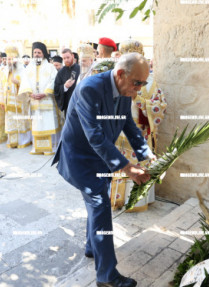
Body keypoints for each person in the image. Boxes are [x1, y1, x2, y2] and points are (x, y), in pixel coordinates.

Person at [52, 53, 155, 287]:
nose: (139, 89)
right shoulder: (90, 89)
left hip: (101, 158)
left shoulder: (124, 90)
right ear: (120, 74)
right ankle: (107, 276)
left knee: (97, 205)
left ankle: (92, 247)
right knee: (100, 207)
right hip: (81, 159)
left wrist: (147, 155)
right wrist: (129, 169)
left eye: (143, 83)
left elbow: (127, 124)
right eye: (137, 83)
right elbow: (96, 137)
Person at [110, 39, 167, 211]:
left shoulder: (151, 83)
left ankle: (136, 202)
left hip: (139, 133)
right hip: (118, 132)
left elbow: (160, 108)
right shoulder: (116, 77)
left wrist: (139, 100)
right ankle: (117, 200)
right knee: (119, 165)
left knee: (137, 166)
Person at [18, 41, 61, 155]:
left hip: (46, 100)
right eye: (35, 52)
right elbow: (25, 82)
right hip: (34, 102)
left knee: (48, 122)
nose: (36, 54)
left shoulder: (50, 67)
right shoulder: (28, 68)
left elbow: (54, 81)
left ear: (44, 54)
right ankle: (37, 148)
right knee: (37, 124)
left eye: (39, 52)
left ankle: (51, 148)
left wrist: (46, 93)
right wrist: (30, 93)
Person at [0, 46, 32, 148]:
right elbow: (1, 87)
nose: (10, 61)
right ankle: (12, 141)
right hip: (8, 103)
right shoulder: (4, 71)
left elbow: (28, 86)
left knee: (21, 121)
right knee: (11, 122)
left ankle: (23, 141)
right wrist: (2, 102)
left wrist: (18, 83)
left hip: (20, 102)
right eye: (9, 59)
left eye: (13, 59)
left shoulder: (23, 70)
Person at [54, 48, 80, 116]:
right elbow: (56, 89)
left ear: (72, 56)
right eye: (64, 58)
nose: (66, 60)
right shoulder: (60, 72)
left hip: (80, 103)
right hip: (68, 105)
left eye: (68, 57)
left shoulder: (80, 69)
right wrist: (64, 86)